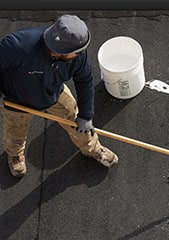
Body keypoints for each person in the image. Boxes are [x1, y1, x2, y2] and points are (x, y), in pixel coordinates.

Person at [0, 14, 118, 177]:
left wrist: (86, 115)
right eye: (76, 52)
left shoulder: (78, 56)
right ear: (60, 49)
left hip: (55, 93)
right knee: (15, 133)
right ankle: (15, 154)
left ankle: (92, 148)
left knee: (79, 123)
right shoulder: (19, 46)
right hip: (17, 101)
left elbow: (85, 81)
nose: (81, 54)